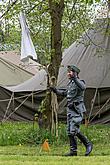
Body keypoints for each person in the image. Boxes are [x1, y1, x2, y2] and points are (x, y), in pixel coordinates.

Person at [50, 65, 93, 156]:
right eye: (68, 72)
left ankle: (88, 144)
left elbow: (83, 87)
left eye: (70, 72)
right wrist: (55, 90)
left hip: (77, 110)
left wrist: (75, 78)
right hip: (70, 110)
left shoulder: (79, 82)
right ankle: (73, 152)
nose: (68, 74)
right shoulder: (71, 84)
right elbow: (65, 93)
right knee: (69, 132)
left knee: (74, 130)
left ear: (75, 73)